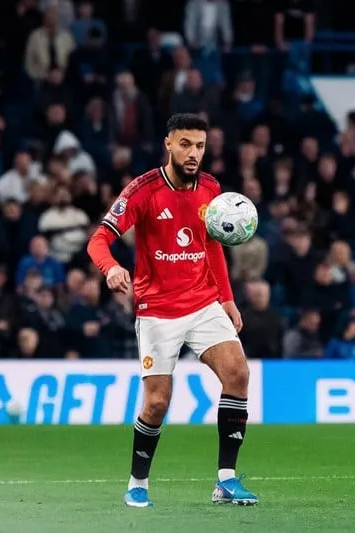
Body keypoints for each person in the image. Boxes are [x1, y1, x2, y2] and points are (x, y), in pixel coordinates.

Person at [86, 113, 257, 507]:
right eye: (185, 144)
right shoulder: (143, 190)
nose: (193, 153)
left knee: (238, 373)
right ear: (168, 144)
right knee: (157, 403)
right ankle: (138, 482)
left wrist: (226, 298)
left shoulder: (211, 188)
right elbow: (98, 239)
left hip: (203, 302)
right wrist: (110, 268)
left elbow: (212, 244)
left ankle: (226, 480)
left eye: (200, 145)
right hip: (158, 310)